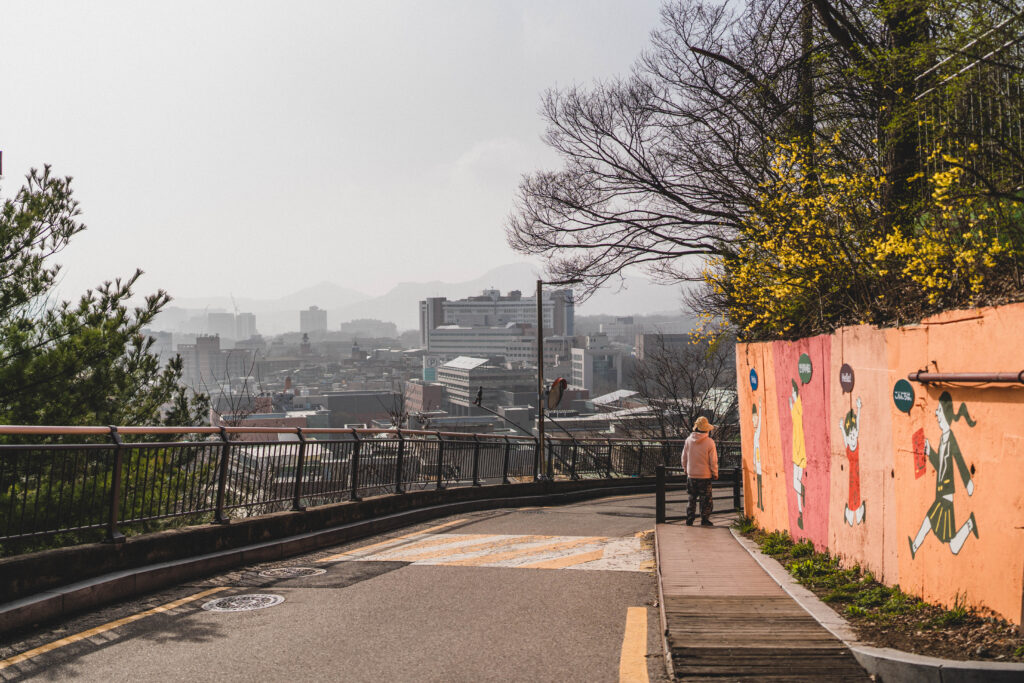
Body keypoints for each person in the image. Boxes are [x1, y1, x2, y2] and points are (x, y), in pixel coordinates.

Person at [682, 416, 718, 526]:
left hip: (691, 474)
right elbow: (713, 460)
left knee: (691, 498)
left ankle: (690, 518)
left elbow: (684, 457)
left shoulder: (688, 440)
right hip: (705, 475)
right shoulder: (709, 442)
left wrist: (685, 469)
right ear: (706, 429)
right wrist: (715, 472)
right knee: (706, 499)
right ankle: (705, 519)